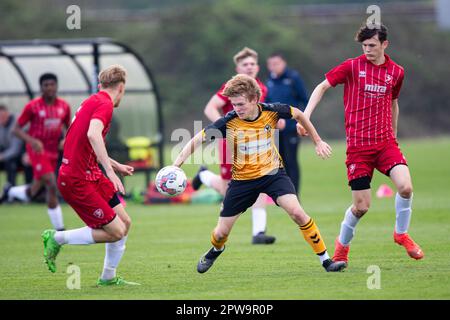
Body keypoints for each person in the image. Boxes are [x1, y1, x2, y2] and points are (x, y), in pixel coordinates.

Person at [174, 74, 346, 273]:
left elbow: (298, 114)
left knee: (298, 213)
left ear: (255, 99)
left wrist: (317, 140)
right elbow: (198, 139)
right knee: (221, 233)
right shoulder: (229, 122)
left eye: (240, 104)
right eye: (233, 104)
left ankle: (326, 261)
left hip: (273, 175)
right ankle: (215, 249)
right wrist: (177, 164)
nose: (236, 109)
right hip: (242, 182)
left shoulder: (271, 111)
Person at [300, 23, 424, 268]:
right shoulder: (352, 66)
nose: (367, 49)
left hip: (385, 143)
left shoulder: (396, 72)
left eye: (372, 45)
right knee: (361, 207)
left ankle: (401, 234)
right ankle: (342, 248)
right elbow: (322, 86)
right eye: (364, 45)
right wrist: (306, 116)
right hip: (358, 147)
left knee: (406, 187)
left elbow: (393, 102)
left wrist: (394, 134)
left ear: (384, 44)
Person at [40, 65, 139, 286]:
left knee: (125, 222)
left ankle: (108, 277)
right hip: (77, 179)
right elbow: (93, 135)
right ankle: (56, 238)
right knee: (115, 232)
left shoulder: (93, 100)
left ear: (100, 85)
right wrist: (110, 171)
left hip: (90, 174)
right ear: (121, 87)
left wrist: (114, 164)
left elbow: (86, 144)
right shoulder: (105, 104)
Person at [192, 47, 276, 245]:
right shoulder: (230, 87)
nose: (249, 67)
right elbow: (210, 107)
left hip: (255, 146)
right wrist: (227, 129)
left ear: (258, 67)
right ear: (237, 67)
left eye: (252, 64)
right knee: (228, 189)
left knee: (261, 182)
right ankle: (204, 176)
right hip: (231, 145)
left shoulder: (261, 89)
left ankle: (259, 232)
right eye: (244, 64)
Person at [4, 74, 71, 231]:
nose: (49, 87)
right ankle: (60, 229)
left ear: (56, 86)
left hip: (53, 151)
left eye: (52, 84)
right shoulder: (33, 106)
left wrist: (65, 140)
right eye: (46, 85)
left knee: (34, 190)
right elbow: (16, 129)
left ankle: (12, 191)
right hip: (37, 150)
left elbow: (70, 128)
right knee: (51, 183)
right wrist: (32, 141)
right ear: (41, 87)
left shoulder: (64, 106)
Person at [266, 53, 309, 194]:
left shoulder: (293, 78)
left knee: (291, 162)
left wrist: (300, 120)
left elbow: (304, 100)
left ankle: (294, 194)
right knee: (279, 163)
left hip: (291, 128)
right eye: (271, 64)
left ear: (283, 63)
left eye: (276, 63)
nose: (274, 67)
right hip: (275, 130)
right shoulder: (269, 82)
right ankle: (283, 194)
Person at [0, 105, 26, 188]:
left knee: (10, 162)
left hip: (20, 154)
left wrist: (2, 156)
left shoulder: (15, 125)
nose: (1, 119)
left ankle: (11, 190)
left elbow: (15, 149)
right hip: (6, 152)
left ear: (8, 114)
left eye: (3, 116)